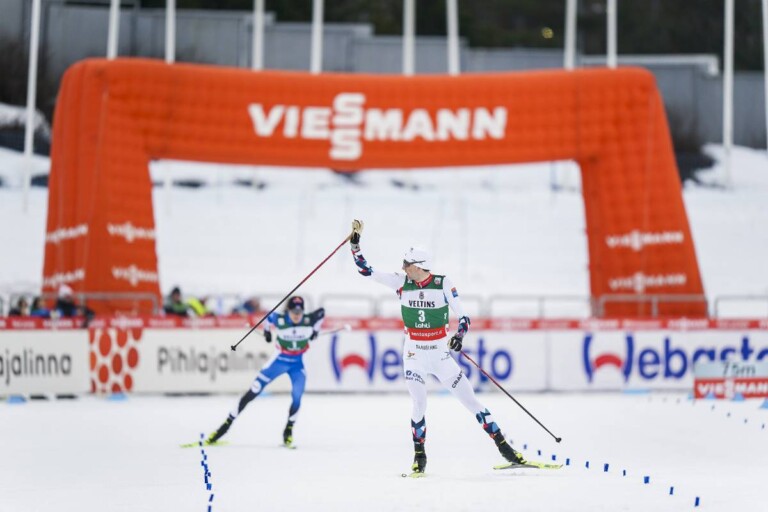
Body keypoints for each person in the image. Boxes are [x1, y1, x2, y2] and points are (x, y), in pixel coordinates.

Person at [348, 219, 525, 475]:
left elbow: (464, 318)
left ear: (419, 266)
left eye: (406, 264)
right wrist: (356, 246)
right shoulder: (401, 283)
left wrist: (459, 336)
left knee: (472, 401)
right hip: (414, 355)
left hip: (441, 356)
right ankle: (419, 457)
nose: (402, 267)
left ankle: (506, 449)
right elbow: (367, 271)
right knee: (419, 404)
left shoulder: (443, 283)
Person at [205, 296, 325, 448]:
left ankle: (288, 431)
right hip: (279, 361)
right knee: (253, 391)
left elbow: (321, 313)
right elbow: (269, 317)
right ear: (288, 310)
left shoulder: (308, 319)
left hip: (297, 365)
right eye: (294, 312)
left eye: (299, 312)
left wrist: (315, 331)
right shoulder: (280, 320)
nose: (297, 315)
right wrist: (267, 332)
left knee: (297, 396)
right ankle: (225, 426)